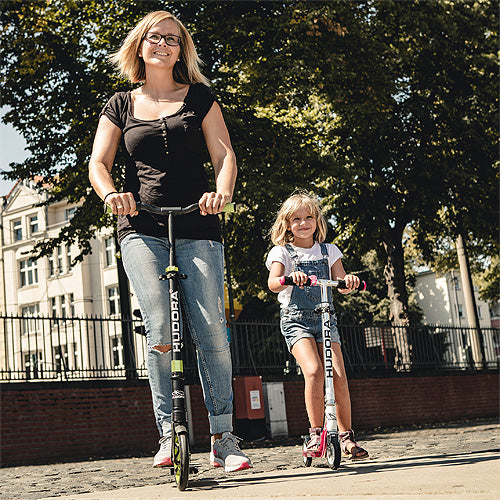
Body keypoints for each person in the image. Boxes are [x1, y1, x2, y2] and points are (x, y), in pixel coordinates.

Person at [88, 10, 251, 473]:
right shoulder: (119, 104)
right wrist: (111, 194)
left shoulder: (199, 97)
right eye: (155, 38)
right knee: (158, 327)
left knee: (211, 330)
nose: (163, 45)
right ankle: (167, 434)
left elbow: (224, 153)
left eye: (173, 40)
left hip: (197, 223)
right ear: (140, 45)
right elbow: (99, 163)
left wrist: (222, 193)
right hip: (140, 226)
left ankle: (223, 436)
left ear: (182, 49)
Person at [266, 192, 368, 460]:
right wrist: (290, 277)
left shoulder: (329, 250)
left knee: (338, 375)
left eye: (308, 217)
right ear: (287, 224)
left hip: (326, 318)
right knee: (313, 371)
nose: (303, 223)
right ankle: (315, 433)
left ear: (317, 220)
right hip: (296, 320)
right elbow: (273, 283)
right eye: (296, 219)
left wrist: (351, 282)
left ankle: (346, 436)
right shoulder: (282, 252)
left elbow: (341, 282)